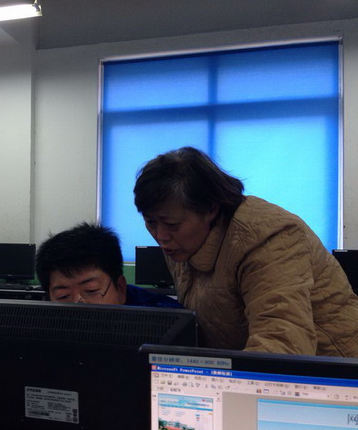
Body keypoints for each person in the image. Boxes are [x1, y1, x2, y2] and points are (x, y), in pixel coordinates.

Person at [133, 146, 358, 356]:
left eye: (171, 224)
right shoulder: (181, 242)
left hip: (336, 372)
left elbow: (283, 345)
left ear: (210, 209)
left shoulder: (268, 238)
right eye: (150, 222)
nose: (160, 236)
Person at [35, 222, 181, 308]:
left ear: (121, 288)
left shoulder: (168, 319)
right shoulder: (38, 326)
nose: (78, 304)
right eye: (63, 296)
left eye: (91, 290)